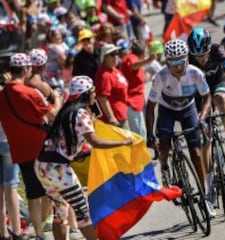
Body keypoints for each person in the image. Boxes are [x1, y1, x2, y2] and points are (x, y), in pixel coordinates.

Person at [34, 75, 133, 240]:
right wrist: (122, 142)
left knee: (60, 211)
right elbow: (95, 141)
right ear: (87, 93)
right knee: (82, 210)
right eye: (93, 91)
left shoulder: (66, 112)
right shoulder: (80, 114)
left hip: (42, 165)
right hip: (58, 168)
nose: (95, 94)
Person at [145, 39, 214, 216]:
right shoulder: (160, 76)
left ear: (187, 60)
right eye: (172, 62)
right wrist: (150, 135)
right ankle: (165, 166)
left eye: (180, 62)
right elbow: (151, 107)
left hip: (188, 109)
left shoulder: (196, 73)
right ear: (166, 62)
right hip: (167, 110)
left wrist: (203, 118)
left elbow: (207, 97)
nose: (177, 66)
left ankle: (205, 196)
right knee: (165, 144)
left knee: (197, 154)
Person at [0, 53, 61, 240]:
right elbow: (53, 115)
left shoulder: (2, 94)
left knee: (32, 193)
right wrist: (57, 98)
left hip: (19, 149)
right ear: (26, 69)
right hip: (40, 148)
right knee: (55, 190)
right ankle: (64, 227)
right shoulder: (30, 93)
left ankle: (40, 233)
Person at [187, 27, 225, 167]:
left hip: (218, 82)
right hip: (201, 91)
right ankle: (210, 183)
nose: (201, 59)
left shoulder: (218, 50)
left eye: (204, 54)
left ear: (209, 49)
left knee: (220, 99)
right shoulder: (189, 57)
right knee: (205, 134)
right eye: (197, 56)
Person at [0, 77, 23, 240]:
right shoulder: (7, 95)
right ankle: (17, 231)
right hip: (8, 142)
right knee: (11, 187)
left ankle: (3, 232)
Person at [120, 40, 156, 139]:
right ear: (143, 52)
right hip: (132, 103)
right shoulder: (131, 58)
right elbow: (133, 65)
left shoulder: (136, 60)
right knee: (139, 135)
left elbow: (138, 78)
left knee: (142, 132)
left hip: (138, 102)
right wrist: (148, 60)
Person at [95, 43, 129, 128]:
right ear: (105, 57)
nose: (116, 57)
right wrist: (111, 118)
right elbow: (102, 98)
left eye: (117, 53)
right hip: (115, 119)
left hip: (122, 113)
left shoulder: (113, 69)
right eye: (112, 54)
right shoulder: (104, 75)